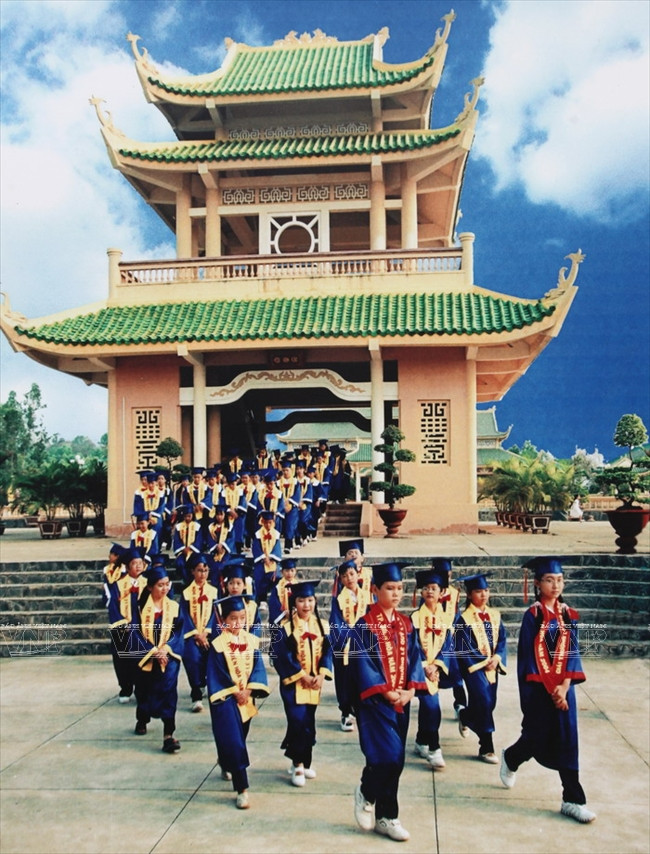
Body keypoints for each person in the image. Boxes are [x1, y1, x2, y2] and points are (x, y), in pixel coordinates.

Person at [500, 557, 596, 823]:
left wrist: (564, 686)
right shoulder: (533, 616)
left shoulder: (569, 614)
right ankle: (512, 757)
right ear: (537, 583)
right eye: (549, 580)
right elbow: (529, 657)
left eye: (560, 580)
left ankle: (572, 800)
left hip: (565, 690)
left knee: (568, 740)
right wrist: (552, 689)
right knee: (536, 737)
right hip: (540, 689)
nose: (555, 585)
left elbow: (573, 652)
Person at [348, 562, 427, 842]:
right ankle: (366, 792)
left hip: (401, 701)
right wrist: (385, 691)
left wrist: (411, 690)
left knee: (397, 760)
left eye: (400, 588)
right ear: (374, 589)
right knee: (388, 756)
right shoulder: (365, 625)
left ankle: (386, 817)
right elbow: (363, 665)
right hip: (375, 702)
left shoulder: (406, 624)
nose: (396, 594)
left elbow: (415, 659)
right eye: (390, 588)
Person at [206, 594, 270, 810]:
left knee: (239, 736)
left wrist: (249, 689)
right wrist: (235, 692)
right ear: (223, 620)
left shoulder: (251, 640)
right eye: (233, 618)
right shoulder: (218, 645)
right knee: (235, 742)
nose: (238, 623)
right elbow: (217, 674)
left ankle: (225, 761)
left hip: (246, 698)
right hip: (226, 700)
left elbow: (258, 667)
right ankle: (242, 788)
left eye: (242, 618)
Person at [271, 579, 333, 787]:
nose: (306, 605)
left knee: (308, 723)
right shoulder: (285, 628)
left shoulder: (323, 626)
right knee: (297, 721)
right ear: (294, 603)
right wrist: (302, 676)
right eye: (301, 600)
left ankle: (304, 762)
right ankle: (298, 765)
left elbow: (327, 653)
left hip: (314, 684)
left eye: (310, 600)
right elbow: (282, 658)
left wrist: (322, 675)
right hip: (293, 685)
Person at [454, 573, 507, 764]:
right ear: (469, 595)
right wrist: (484, 661)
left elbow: (502, 639)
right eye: (478, 591)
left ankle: (465, 715)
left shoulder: (495, 615)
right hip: (474, 667)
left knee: (490, 703)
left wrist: (498, 657)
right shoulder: (463, 619)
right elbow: (463, 647)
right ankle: (486, 747)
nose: (483, 594)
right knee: (484, 701)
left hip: (492, 665)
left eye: (486, 590)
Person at [132, 565, 185, 753]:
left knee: (169, 692)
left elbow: (178, 632)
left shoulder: (174, 607)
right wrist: (152, 650)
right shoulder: (140, 608)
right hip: (146, 656)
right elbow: (135, 633)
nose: (165, 588)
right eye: (160, 585)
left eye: (167, 584)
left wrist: (166, 649)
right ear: (150, 587)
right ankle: (142, 718)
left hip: (168, 657)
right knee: (144, 692)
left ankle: (168, 735)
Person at [410, 567, 453, 769]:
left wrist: (437, 665)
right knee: (432, 706)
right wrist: (425, 666)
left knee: (429, 705)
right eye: (426, 588)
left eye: (434, 588)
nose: (429, 591)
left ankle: (421, 741)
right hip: (420, 669)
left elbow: (448, 646)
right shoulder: (415, 618)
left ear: (442, 592)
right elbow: (414, 646)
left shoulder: (447, 619)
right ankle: (434, 748)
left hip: (436, 670)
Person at [329, 558, 372, 732]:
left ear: (358, 574)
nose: (349, 578)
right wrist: (351, 638)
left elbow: (372, 618)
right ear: (341, 579)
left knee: (362, 677)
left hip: (364, 643)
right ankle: (346, 712)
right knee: (345, 680)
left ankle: (361, 710)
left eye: (352, 574)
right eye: (345, 576)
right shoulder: (338, 599)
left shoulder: (368, 596)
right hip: (344, 644)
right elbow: (336, 623)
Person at [105, 547, 147, 703]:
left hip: (143, 627)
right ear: (128, 567)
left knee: (143, 658)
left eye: (140, 563)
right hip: (124, 627)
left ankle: (142, 688)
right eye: (134, 563)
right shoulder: (118, 584)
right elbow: (113, 607)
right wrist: (123, 624)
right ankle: (126, 688)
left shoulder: (148, 583)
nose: (138, 566)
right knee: (122, 658)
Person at [179, 554, 219, 712]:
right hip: (191, 635)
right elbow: (184, 615)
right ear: (192, 572)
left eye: (205, 570)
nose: (203, 574)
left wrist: (206, 633)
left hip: (210, 635)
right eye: (199, 570)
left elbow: (216, 614)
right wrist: (196, 634)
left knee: (213, 658)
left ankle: (207, 686)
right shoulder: (186, 593)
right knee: (192, 657)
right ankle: (196, 694)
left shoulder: (214, 591)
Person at [434, 558, 468, 719]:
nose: (444, 577)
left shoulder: (454, 593)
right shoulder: (431, 590)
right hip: (433, 638)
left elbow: (457, 614)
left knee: (456, 670)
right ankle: (431, 705)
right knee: (434, 670)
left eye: (447, 574)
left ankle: (460, 703)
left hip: (451, 637)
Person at [252, 510, 283, 604]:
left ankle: (274, 598)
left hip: (272, 561)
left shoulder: (276, 534)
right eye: (266, 522)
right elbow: (256, 547)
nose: (268, 525)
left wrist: (271, 557)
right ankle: (262, 599)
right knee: (259, 576)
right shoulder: (258, 534)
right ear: (263, 522)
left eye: (270, 522)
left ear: (273, 522)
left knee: (276, 576)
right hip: (261, 561)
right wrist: (263, 557)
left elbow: (277, 548)